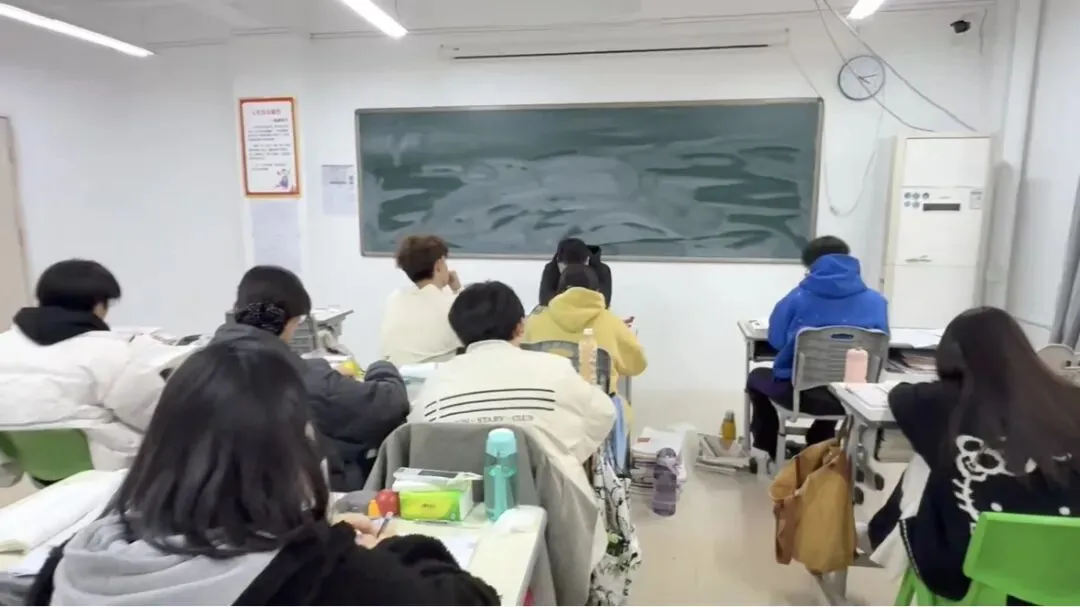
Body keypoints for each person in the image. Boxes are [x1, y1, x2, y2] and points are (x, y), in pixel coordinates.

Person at [27, 340, 499, 606]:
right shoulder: (316, 574)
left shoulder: (74, 563)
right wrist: (391, 547)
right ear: (291, 455)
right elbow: (472, 600)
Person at [868, 307, 1080, 601]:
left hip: (970, 573)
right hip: (1068, 569)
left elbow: (900, 395)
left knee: (925, 465)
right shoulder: (1069, 399)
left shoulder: (936, 403)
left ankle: (881, 532)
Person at [212, 266, 409, 491]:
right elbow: (390, 404)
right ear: (291, 322)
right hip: (294, 499)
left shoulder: (197, 369)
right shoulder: (304, 379)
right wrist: (381, 366)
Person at [412, 281, 615, 486]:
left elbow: (417, 438)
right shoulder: (555, 368)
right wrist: (564, 458)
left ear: (458, 333)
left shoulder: (437, 380)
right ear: (520, 327)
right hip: (552, 497)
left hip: (459, 499)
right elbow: (604, 413)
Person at [0, 259, 190, 473]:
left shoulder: (4, 344)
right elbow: (156, 416)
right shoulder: (107, 353)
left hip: (40, 469)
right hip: (106, 471)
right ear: (98, 305)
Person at [748, 236, 889, 461]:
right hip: (854, 397)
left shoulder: (797, 298)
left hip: (802, 395)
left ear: (812, 267)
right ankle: (821, 435)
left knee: (756, 377)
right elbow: (881, 344)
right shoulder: (876, 302)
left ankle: (769, 445)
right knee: (837, 380)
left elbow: (776, 340)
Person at [524, 264, 646, 393]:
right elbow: (637, 365)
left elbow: (521, 361)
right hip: (596, 402)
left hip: (545, 401)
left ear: (559, 291)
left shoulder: (534, 320)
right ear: (597, 291)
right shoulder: (612, 322)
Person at [379, 235, 463, 366]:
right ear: (439, 264)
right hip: (434, 376)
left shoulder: (394, 299)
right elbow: (478, 335)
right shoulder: (452, 306)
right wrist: (458, 290)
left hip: (396, 375)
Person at [538, 238, 613, 309]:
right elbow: (545, 301)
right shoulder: (552, 269)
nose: (571, 270)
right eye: (567, 266)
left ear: (587, 259)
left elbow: (603, 302)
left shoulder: (601, 270)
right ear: (558, 261)